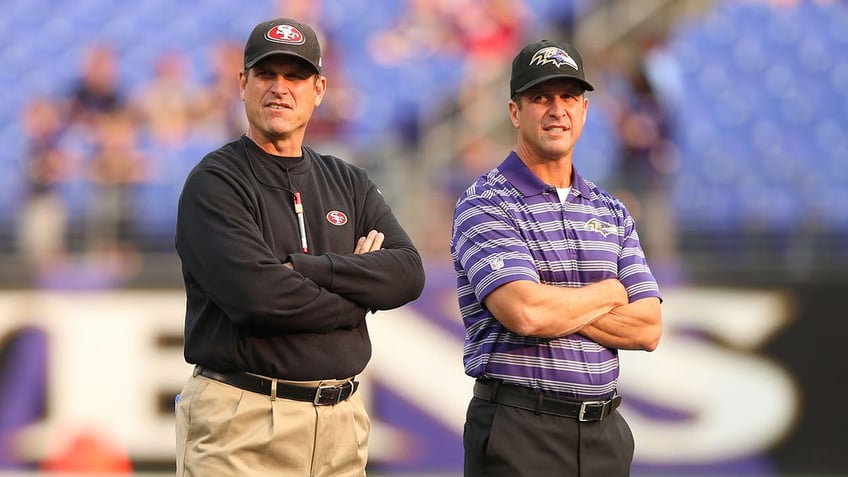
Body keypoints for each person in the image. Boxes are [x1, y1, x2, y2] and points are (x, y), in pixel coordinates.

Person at [174, 17, 425, 477]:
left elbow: (408, 273)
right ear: (243, 83)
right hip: (243, 420)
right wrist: (358, 296)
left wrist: (311, 270)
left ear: (320, 89)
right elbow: (260, 299)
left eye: (295, 76)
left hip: (341, 422)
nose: (279, 88)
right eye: (267, 74)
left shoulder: (348, 180)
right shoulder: (215, 182)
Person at [450, 39, 663, 476]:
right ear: (515, 112)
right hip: (521, 428)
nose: (557, 109)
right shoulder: (485, 202)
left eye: (569, 96)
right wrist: (609, 292)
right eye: (541, 97)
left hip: (605, 432)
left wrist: (553, 302)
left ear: (584, 110)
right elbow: (525, 313)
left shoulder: (611, 209)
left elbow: (648, 328)